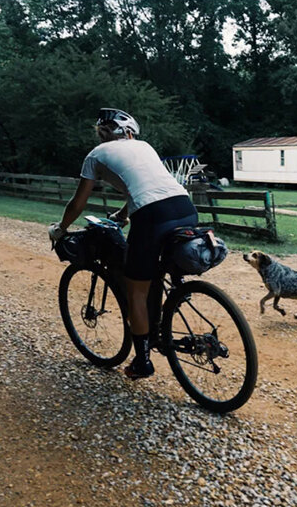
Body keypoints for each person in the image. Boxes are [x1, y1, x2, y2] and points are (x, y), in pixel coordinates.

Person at [49, 108, 197, 379]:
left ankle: (142, 362)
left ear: (103, 133)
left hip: (152, 215)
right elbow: (146, 188)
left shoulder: (95, 156)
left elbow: (78, 203)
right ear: (129, 132)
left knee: (136, 290)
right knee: (160, 267)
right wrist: (122, 215)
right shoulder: (145, 147)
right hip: (185, 207)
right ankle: (173, 298)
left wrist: (61, 229)